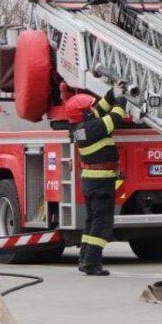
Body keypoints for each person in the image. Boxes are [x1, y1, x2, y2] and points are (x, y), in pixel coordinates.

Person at [64, 84, 127, 276]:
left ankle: (85, 259)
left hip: (92, 181)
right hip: (101, 182)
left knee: (92, 220)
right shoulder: (94, 127)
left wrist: (111, 93)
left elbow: (99, 110)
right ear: (84, 114)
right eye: (89, 108)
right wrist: (121, 99)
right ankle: (92, 263)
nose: (94, 109)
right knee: (102, 223)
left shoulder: (79, 128)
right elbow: (116, 117)